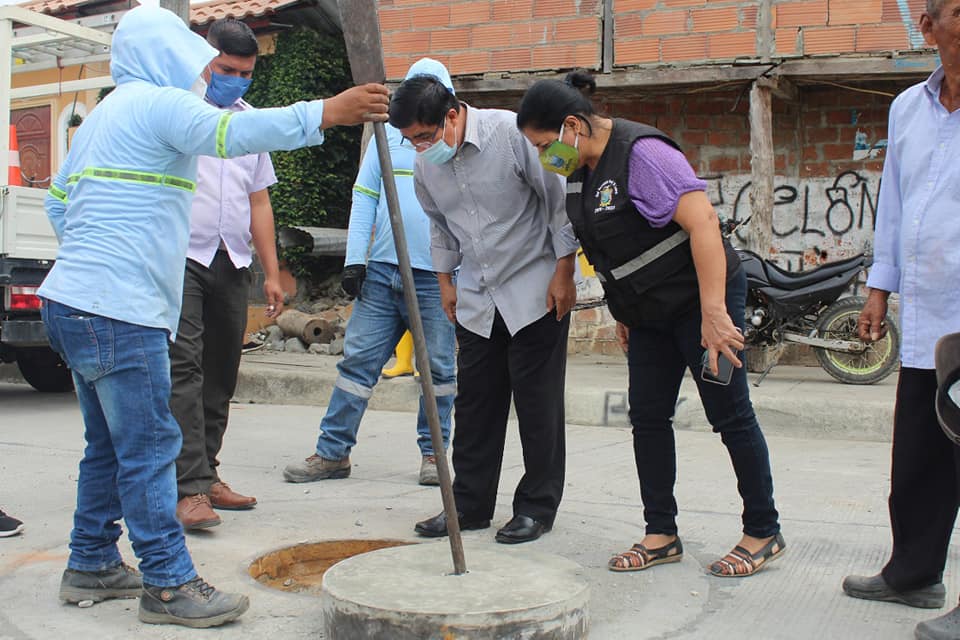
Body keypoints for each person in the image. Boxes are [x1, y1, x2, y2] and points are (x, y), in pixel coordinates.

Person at [38, 6, 388, 628]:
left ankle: (90, 560)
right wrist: (327, 112)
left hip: (73, 300)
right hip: (120, 309)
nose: (200, 68)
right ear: (164, 53)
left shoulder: (104, 115)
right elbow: (230, 135)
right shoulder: (159, 103)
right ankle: (169, 584)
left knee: (109, 447)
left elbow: (59, 200)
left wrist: (95, 258)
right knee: (150, 448)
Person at [516, 71, 784, 574]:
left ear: (573, 125)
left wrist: (714, 313)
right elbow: (614, 247)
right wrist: (625, 312)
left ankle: (763, 530)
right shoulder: (579, 169)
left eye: (545, 144)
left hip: (700, 301)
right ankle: (661, 533)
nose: (544, 156)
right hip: (647, 314)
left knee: (729, 414)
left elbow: (703, 224)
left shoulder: (642, 155)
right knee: (648, 418)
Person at [389, 73, 579, 545]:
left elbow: (559, 202)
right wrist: (445, 283)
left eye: (425, 136)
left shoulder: (511, 133)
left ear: (452, 115)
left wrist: (564, 272)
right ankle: (469, 506)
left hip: (535, 290)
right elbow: (438, 226)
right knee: (475, 406)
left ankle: (536, 508)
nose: (420, 147)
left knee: (537, 405)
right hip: (477, 296)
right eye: (411, 140)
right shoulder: (425, 166)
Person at [841, 2, 960, 638]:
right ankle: (913, 574)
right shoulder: (908, 107)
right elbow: (894, 203)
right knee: (919, 455)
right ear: (929, 27)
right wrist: (878, 289)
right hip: (927, 316)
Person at [282, 58, 457, 488]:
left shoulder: (453, 141)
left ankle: (435, 456)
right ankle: (332, 453)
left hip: (435, 279)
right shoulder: (386, 135)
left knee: (438, 371)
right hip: (382, 274)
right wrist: (355, 261)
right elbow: (364, 197)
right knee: (357, 365)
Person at [169, 18, 281, 531]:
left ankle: (207, 472)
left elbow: (259, 202)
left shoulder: (249, 124)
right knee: (185, 370)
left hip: (232, 260)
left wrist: (271, 273)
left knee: (221, 373)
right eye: (227, 69)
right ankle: (188, 488)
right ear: (205, 60)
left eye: (245, 73)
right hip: (182, 258)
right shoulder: (177, 112)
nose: (236, 80)